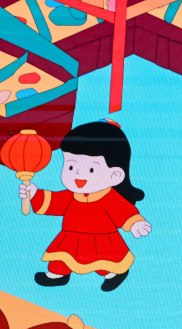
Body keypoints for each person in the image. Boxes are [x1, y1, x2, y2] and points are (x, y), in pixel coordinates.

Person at [19, 121, 150, 292]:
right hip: (70, 237)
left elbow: (124, 212)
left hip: (102, 239)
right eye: (71, 166)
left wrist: (135, 223)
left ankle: (113, 274)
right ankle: (57, 275)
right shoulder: (71, 196)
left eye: (91, 170)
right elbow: (55, 201)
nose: (78, 175)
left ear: (115, 175)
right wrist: (34, 194)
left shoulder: (109, 198)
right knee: (61, 258)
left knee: (104, 261)